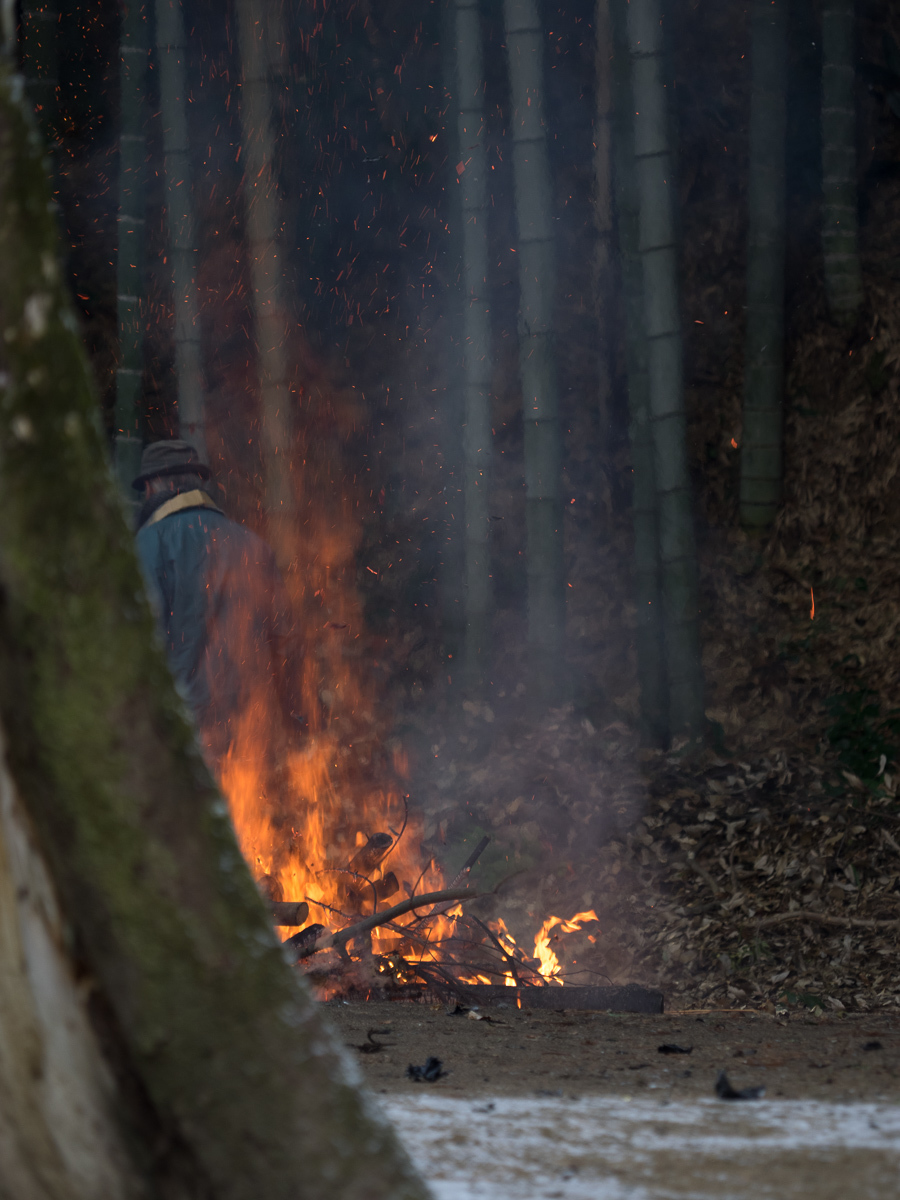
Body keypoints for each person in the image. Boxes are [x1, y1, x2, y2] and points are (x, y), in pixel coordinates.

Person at [133, 439, 295, 766]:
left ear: (151, 488)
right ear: (200, 483)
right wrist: (295, 720)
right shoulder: (253, 546)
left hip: (181, 737)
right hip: (252, 731)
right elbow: (286, 643)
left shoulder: (145, 548)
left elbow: (135, 647)